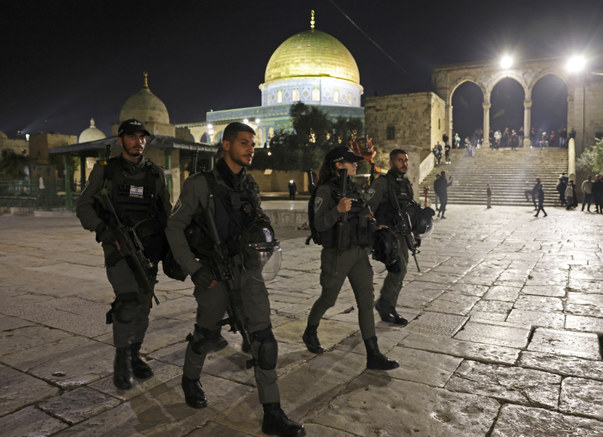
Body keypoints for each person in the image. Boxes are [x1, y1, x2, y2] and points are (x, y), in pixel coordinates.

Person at [165, 122, 305, 437]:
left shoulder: (249, 184)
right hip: (213, 274)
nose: (250, 148)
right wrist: (195, 269)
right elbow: (174, 227)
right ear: (225, 145)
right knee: (206, 335)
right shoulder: (200, 184)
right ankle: (190, 379)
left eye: (251, 143)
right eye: (243, 142)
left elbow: (255, 222)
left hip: (248, 273)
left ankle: (272, 412)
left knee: (265, 343)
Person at [76, 119, 172, 390]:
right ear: (121, 140)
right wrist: (105, 231)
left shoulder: (156, 174)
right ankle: (121, 360)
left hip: (148, 252)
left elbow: (167, 214)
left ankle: (134, 354)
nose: (138, 141)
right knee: (128, 300)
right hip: (118, 249)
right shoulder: (105, 171)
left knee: (143, 305)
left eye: (142, 137)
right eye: (132, 136)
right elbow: (84, 208)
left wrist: (174, 250)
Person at [302, 146, 399, 372]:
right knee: (328, 299)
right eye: (351, 161)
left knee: (366, 302)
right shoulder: (325, 191)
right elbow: (319, 224)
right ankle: (310, 330)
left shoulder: (355, 189)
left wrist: (375, 225)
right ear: (338, 164)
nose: (356, 164)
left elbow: (364, 216)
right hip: (337, 254)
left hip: (358, 253)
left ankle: (373, 354)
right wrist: (337, 209)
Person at [368, 149, 416, 326]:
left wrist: (415, 230)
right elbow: (368, 208)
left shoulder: (405, 184)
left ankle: (388, 305)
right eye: (399, 160)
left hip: (403, 234)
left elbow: (409, 208)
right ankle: (385, 305)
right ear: (391, 163)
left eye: (406, 160)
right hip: (388, 235)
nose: (404, 164)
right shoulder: (382, 183)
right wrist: (375, 227)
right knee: (398, 270)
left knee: (401, 272)